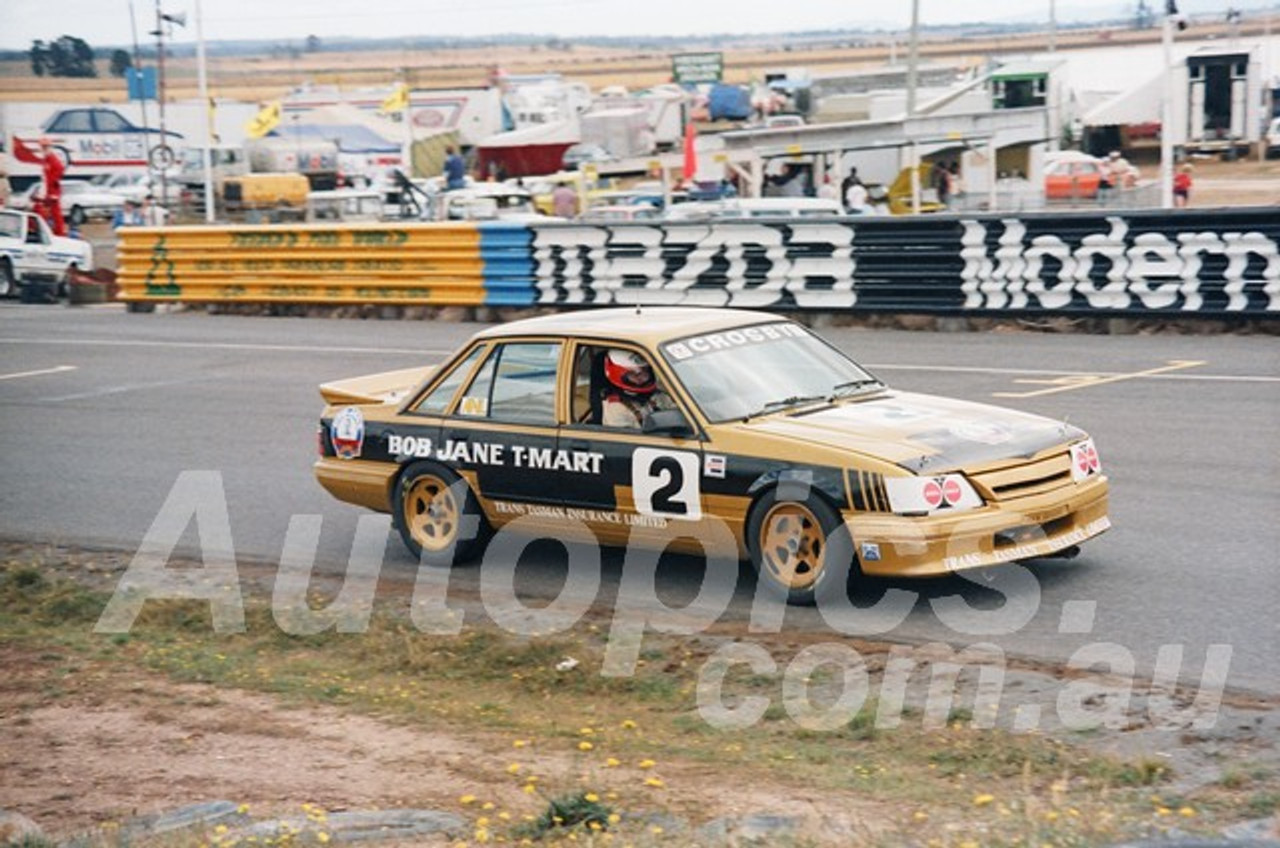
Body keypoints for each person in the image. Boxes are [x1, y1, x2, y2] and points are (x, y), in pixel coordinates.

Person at [600, 349, 665, 429]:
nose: (641, 378)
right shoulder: (616, 408)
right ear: (618, 374)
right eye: (633, 374)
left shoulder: (656, 395)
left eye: (644, 372)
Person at [36, 137, 67, 235]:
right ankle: (44, 231)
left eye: (45, 146)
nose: (43, 149)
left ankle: (59, 233)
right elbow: (45, 178)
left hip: (51, 191)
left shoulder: (52, 159)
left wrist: (52, 191)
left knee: (55, 213)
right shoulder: (46, 159)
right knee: (41, 211)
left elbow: (59, 171)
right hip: (47, 191)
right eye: (42, 147)